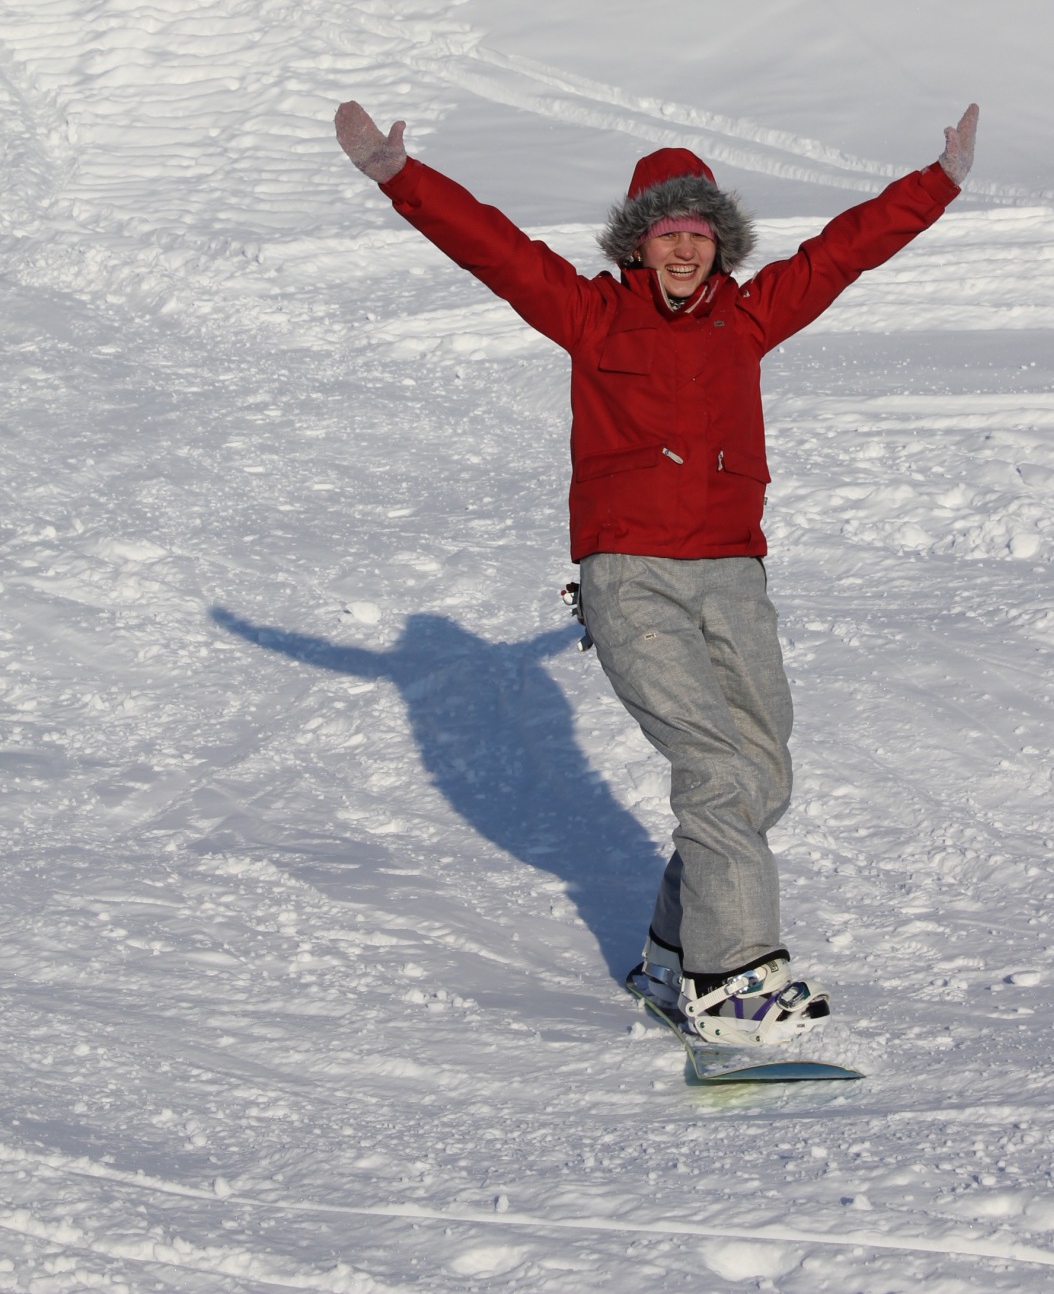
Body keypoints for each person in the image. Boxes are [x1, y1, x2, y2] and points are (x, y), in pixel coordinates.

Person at [334, 99, 979, 1047]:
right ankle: (733, 984)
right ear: (638, 244)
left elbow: (842, 254)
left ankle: (675, 954)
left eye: (700, 235)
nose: (684, 251)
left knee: (761, 773)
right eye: (668, 234)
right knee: (714, 768)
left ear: (721, 246)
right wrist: (400, 177)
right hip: (632, 574)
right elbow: (495, 250)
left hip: (732, 573)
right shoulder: (592, 316)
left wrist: (938, 183)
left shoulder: (749, 319)